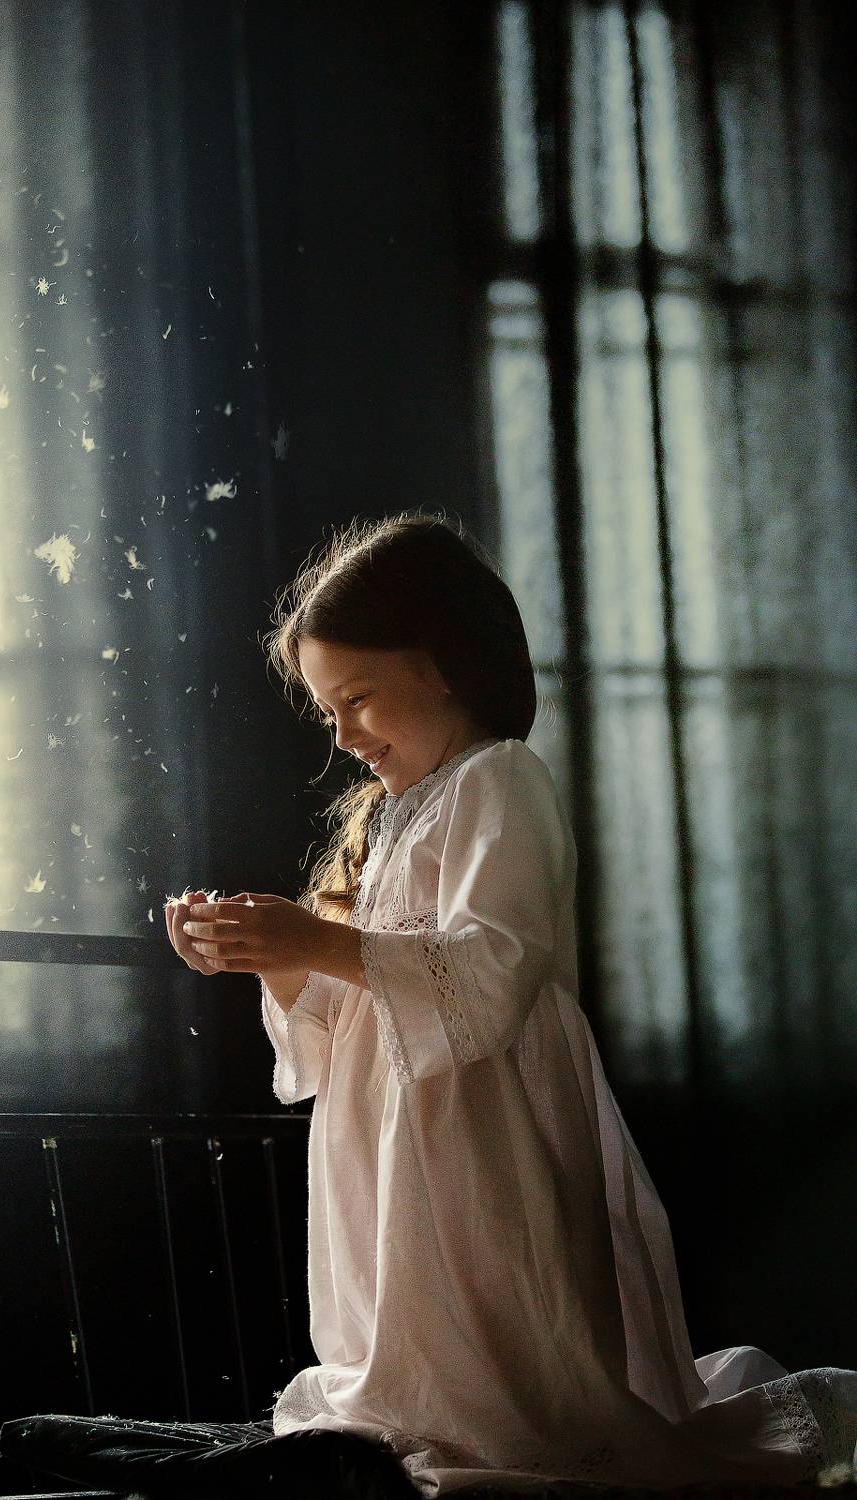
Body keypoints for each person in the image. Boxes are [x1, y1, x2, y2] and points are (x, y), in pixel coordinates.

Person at [163, 510, 857, 1496]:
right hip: (398, 1123)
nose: (345, 735)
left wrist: (315, 940)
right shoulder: (391, 818)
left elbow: (493, 970)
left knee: (494, 1315)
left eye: (357, 699)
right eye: (328, 713)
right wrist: (268, 958)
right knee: (411, 1309)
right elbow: (351, 1004)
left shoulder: (501, 780)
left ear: (442, 663)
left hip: (482, 1120)